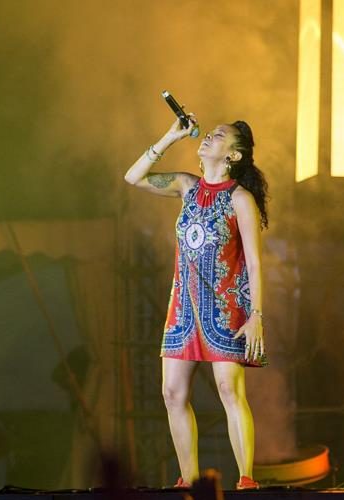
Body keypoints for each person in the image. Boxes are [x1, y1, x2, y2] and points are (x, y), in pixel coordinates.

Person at [124, 114, 268, 490]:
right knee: (172, 393)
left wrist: (256, 315)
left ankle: (246, 479)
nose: (208, 138)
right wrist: (170, 136)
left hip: (226, 305)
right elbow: (133, 177)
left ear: (234, 155)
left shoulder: (240, 199)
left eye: (219, 136)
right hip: (184, 305)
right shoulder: (186, 186)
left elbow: (254, 261)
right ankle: (188, 480)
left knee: (228, 389)